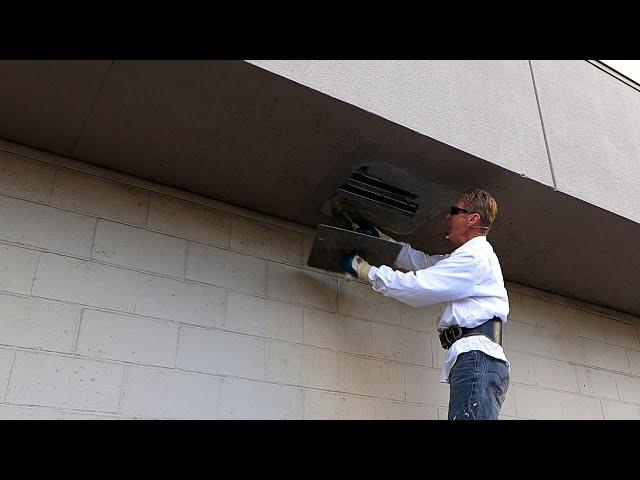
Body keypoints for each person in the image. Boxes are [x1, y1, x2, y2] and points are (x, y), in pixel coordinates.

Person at [341, 188, 509, 420]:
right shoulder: (467, 257)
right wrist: (382, 240)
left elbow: (419, 285)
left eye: (455, 212)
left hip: (477, 358)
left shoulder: (474, 257)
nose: (448, 217)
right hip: (478, 359)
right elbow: (425, 263)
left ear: (472, 219)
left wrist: (364, 270)